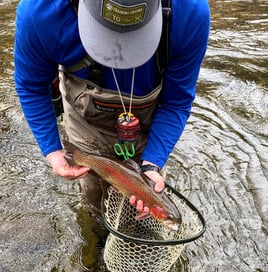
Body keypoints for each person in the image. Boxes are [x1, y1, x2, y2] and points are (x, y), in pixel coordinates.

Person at [14, 0, 210, 217]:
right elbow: (32, 87)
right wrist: (52, 151)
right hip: (86, 125)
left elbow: (176, 102)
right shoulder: (41, 12)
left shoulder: (189, 13)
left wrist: (152, 164)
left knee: (144, 207)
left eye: (134, 37)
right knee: (96, 210)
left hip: (148, 126)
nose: (120, 50)